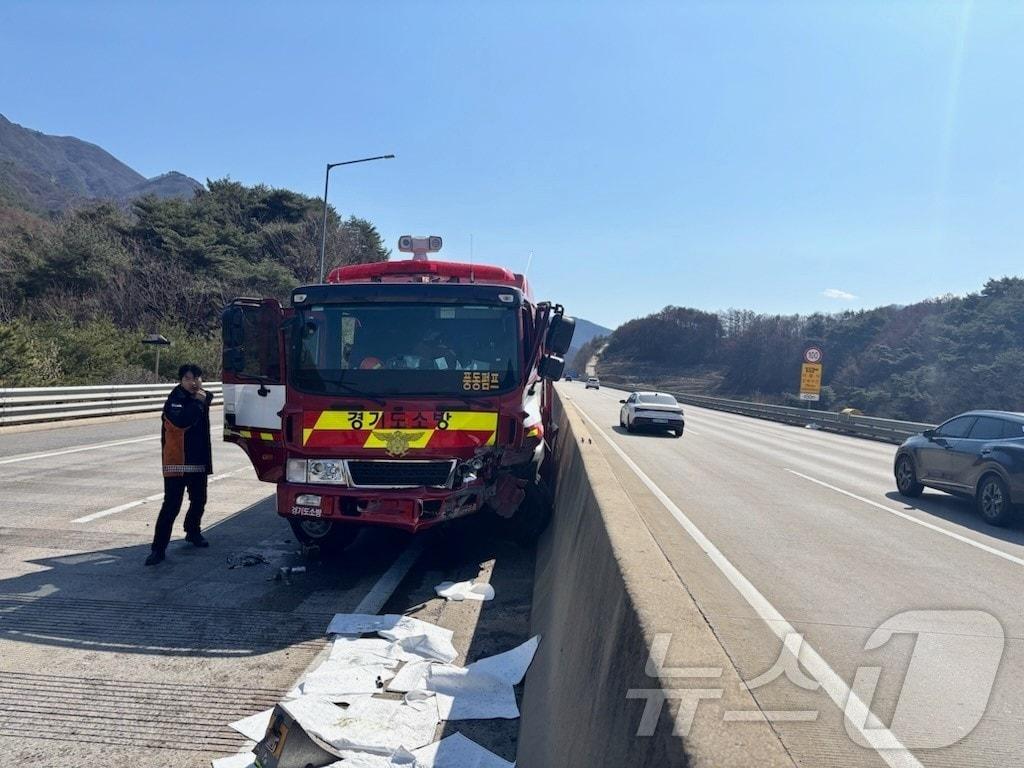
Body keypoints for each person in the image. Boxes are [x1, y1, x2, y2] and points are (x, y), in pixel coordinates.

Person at [145, 364, 214, 566]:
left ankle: (193, 531)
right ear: (181, 381)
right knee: (171, 505)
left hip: (198, 460)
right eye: (188, 379)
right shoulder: (175, 399)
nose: (193, 383)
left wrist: (201, 399)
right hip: (177, 462)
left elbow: (206, 397)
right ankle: (158, 549)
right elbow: (183, 421)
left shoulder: (202, 397)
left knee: (199, 499)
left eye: (196, 378)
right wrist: (199, 401)